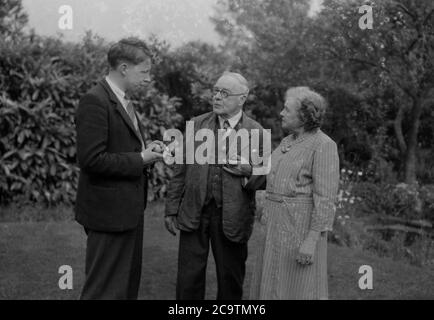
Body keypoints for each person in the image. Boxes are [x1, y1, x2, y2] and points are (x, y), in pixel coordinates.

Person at [75, 37, 164, 299]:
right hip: (108, 215)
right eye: (144, 71)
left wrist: (149, 150)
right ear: (124, 68)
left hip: (128, 211)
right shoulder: (95, 101)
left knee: (125, 288)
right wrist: (142, 159)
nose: (148, 79)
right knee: (103, 290)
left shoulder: (123, 100)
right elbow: (92, 160)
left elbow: (122, 147)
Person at [164, 72, 265, 300]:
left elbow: (267, 176)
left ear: (242, 98)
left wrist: (249, 170)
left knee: (230, 281)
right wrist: (171, 208)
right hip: (194, 212)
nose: (217, 97)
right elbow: (180, 170)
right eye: (216, 91)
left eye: (225, 93)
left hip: (233, 216)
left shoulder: (255, 131)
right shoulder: (196, 124)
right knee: (188, 281)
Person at [249, 86, 339, 300]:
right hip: (275, 227)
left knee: (298, 288)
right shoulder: (287, 141)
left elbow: (326, 199)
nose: (281, 113)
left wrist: (311, 241)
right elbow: (273, 177)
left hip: (299, 229)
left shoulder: (323, 145)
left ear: (304, 115)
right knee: (270, 284)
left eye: (286, 109)